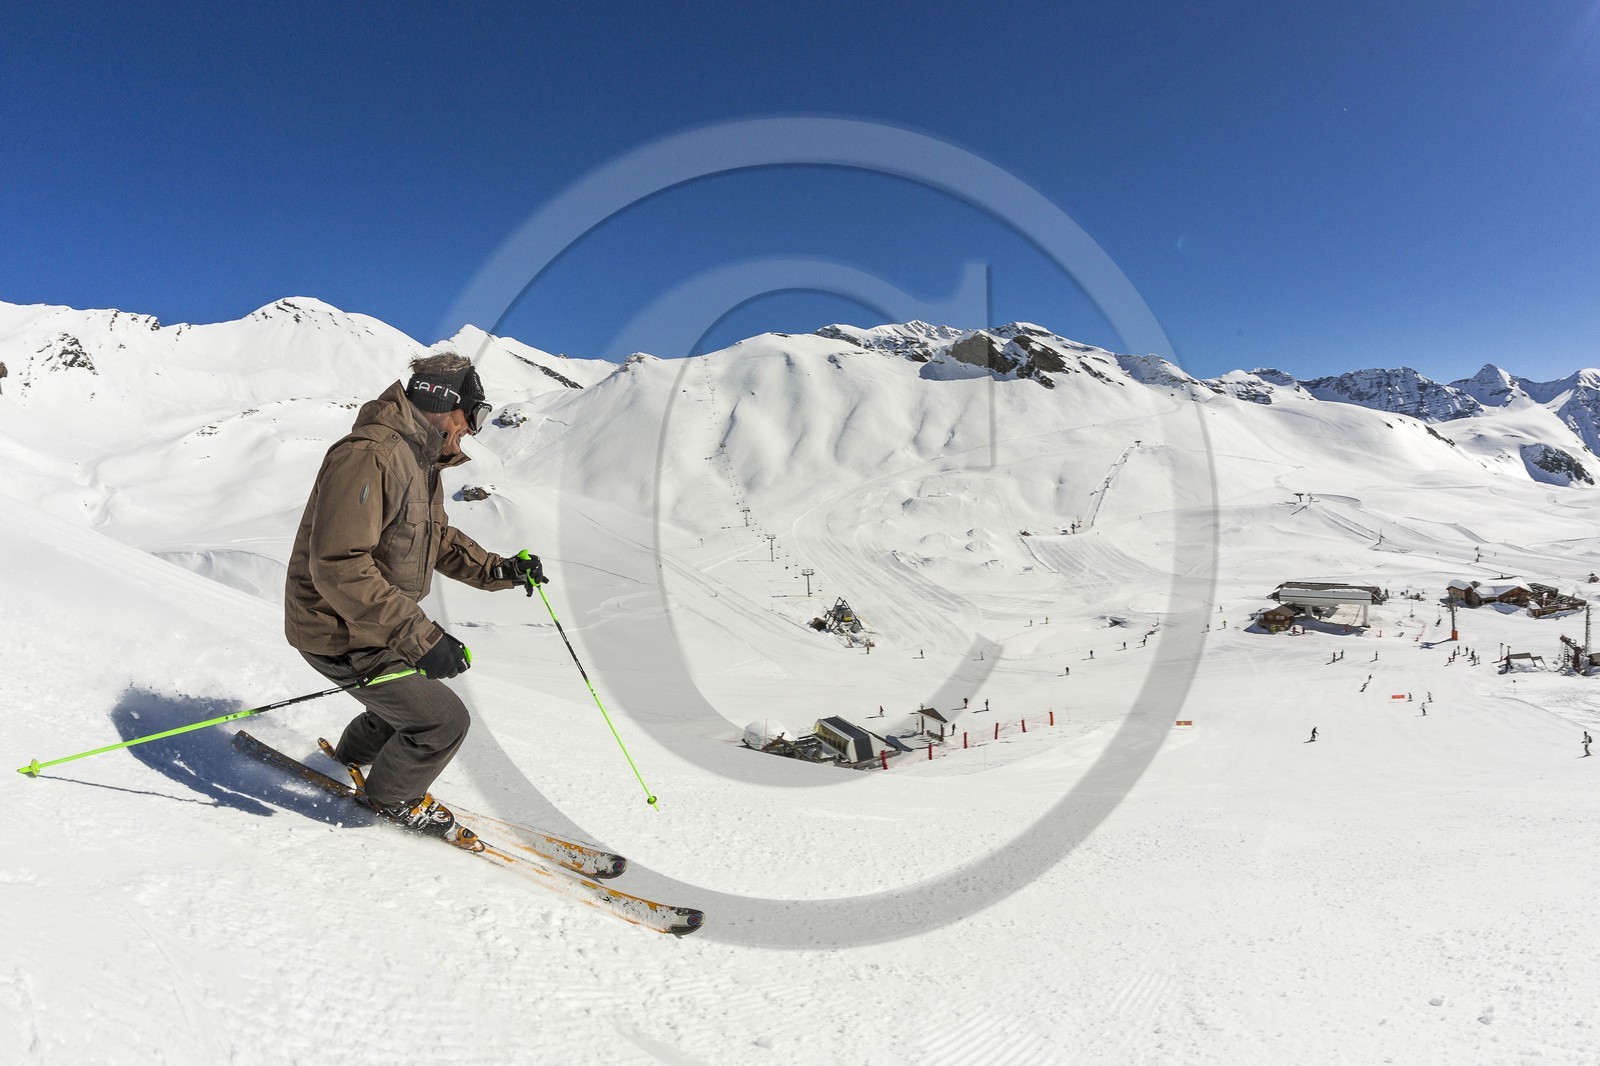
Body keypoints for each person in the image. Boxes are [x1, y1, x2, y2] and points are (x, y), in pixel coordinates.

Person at [283, 353, 545, 836]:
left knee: (404, 705)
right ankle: (390, 801)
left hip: (369, 625)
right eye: (475, 415)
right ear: (445, 404)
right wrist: (419, 637)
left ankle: (346, 762)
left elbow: (434, 538)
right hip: (337, 628)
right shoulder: (372, 455)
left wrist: (500, 569)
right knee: (442, 722)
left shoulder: (416, 459)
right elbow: (339, 565)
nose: (473, 429)